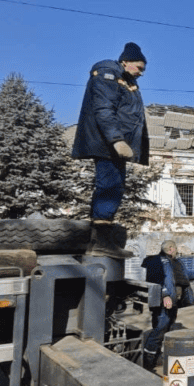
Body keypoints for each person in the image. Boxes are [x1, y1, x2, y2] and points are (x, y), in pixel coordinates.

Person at [71, 41, 150, 257]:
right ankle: (101, 243)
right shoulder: (108, 74)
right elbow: (103, 109)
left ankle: (101, 241)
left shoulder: (127, 80)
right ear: (126, 62)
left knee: (114, 187)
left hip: (112, 146)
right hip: (106, 144)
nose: (142, 73)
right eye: (139, 68)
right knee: (108, 187)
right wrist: (116, 140)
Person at [140, 241, 194, 371]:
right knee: (160, 329)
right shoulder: (157, 260)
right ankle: (147, 364)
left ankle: (157, 358)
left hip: (174, 302)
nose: (177, 251)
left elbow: (185, 276)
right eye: (175, 248)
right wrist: (164, 295)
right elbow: (154, 279)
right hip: (164, 302)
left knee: (168, 328)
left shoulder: (176, 262)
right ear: (171, 248)